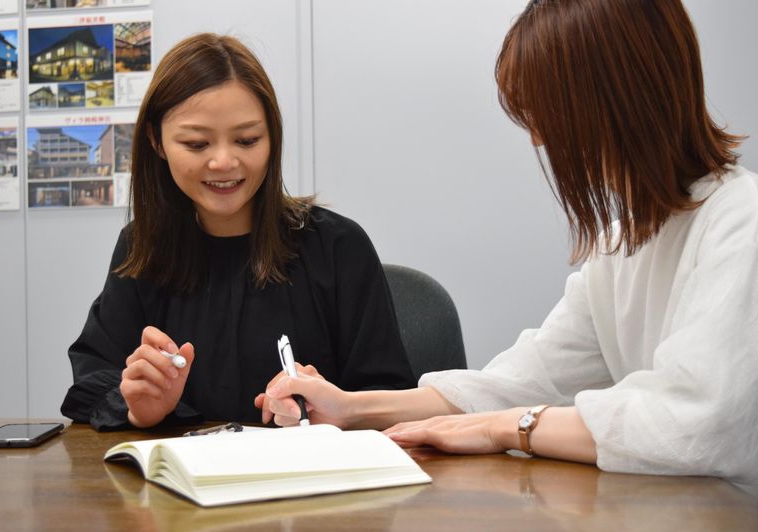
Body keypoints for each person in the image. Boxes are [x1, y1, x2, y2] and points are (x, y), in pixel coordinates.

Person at [259, 0, 758, 495]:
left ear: (615, 101)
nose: (540, 138)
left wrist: (508, 427)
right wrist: (351, 408)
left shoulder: (740, 220)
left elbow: (696, 424)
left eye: (548, 114)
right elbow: (524, 380)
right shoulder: (620, 244)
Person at [60, 34, 415, 431]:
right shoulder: (143, 247)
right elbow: (94, 376)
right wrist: (139, 406)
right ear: (157, 142)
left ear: (272, 137)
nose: (224, 162)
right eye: (196, 144)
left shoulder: (337, 247)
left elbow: (392, 394)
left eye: (247, 140)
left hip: (310, 484)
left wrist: (332, 409)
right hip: (179, 486)